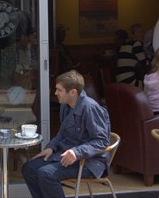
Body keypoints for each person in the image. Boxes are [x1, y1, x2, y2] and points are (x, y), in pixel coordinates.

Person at [22, 70, 111, 198]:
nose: (55, 93)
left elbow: (102, 141)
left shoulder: (90, 108)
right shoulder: (66, 105)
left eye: (59, 90)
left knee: (46, 174)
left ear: (73, 92)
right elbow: (62, 132)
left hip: (89, 162)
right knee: (29, 168)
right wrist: (51, 147)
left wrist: (77, 152)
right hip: (66, 156)